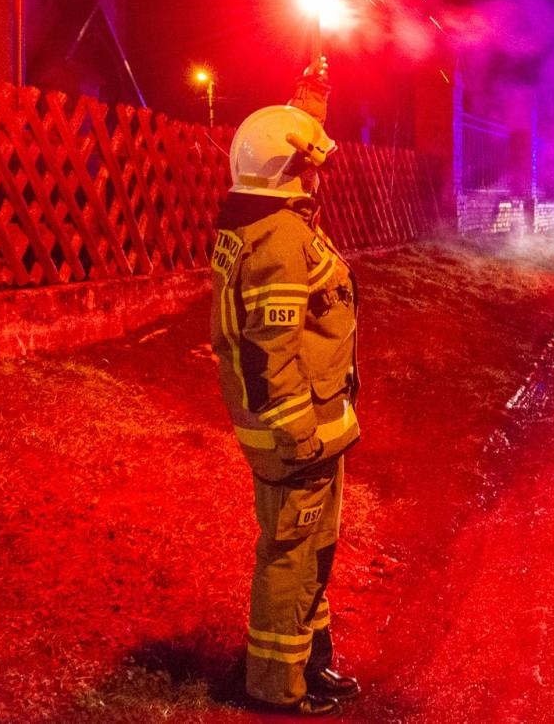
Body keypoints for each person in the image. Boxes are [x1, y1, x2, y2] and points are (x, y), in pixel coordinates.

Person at [211, 60, 361, 716]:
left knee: (312, 550)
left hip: (314, 430)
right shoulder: (278, 240)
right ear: (287, 174)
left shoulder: (266, 219)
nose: (317, 174)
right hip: (296, 436)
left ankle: (310, 660)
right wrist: (300, 435)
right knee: (291, 553)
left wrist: (310, 101)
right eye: (308, 166)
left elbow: (281, 147)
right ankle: (275, 686)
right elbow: (270, 355)